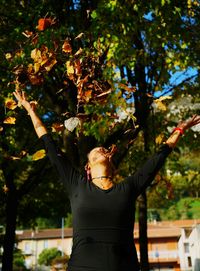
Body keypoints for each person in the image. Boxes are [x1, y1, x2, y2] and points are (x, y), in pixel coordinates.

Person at [13, 89, 200, 271]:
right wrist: (31, 111)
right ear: (88, 166)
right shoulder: (76, 185)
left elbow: (158, 158)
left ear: (112, 162)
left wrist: (180, 129)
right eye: (95, 150)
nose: (101, 149)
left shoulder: (128, 188)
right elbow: (49, 144)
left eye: (104, 149)